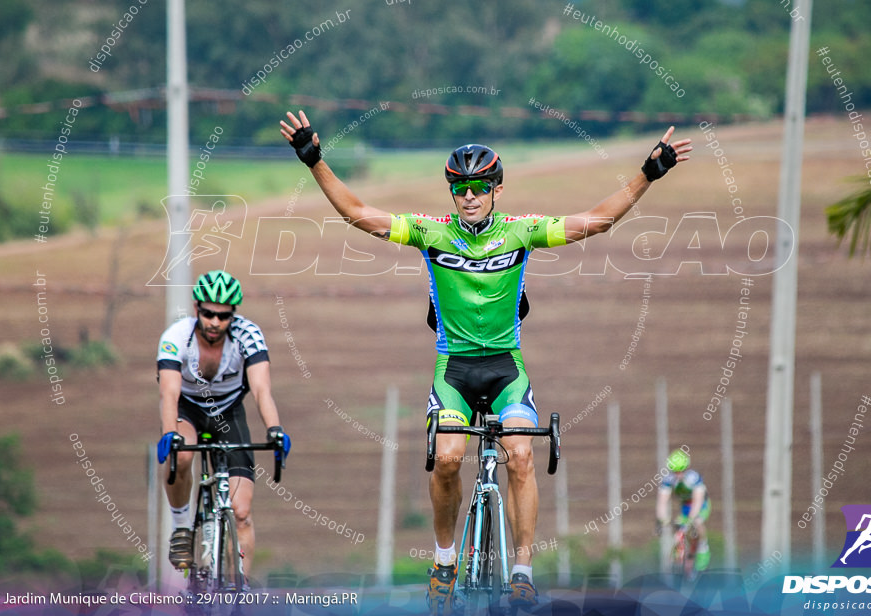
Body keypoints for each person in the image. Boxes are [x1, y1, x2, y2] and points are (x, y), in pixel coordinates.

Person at [280, 109, 691, 611]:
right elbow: (358, 214)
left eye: (478, 186)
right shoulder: (431, 232)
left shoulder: (522, 231)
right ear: (451, 193)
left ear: (498, 189)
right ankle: (446, 560)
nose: (469, 195)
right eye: (459, 187)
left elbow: (596, 223)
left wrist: (648, 174)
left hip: (505, 369)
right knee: (449, 457)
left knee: (520, 454)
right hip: (453, 369)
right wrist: (314, 161)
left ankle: (521, 570)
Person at [155, 269, 290, 584]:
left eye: (224, 316)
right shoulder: (176, 337)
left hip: (229, 413)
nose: (215, 322)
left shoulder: (248, 335)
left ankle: (239, 590)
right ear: (196, 309)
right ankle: (181, 527)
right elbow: (169, 392)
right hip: (188, 409)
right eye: (208, 314)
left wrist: (275, 429)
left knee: (241, 514)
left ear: (234, 315)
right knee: (184, 456)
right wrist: (168, 435)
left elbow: (261, 390)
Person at [656, 449, 711, 573]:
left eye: (681, 470)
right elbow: (662, 502)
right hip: (685, 507)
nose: (678, 474)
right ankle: (682, 564)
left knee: (696, 523)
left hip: (701, 505)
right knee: (679, 530)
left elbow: (698, 500)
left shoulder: (693, 478)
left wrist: (691, 519)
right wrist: (662, 520)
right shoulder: (668, 480)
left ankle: (703, 549)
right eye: (675, 471)